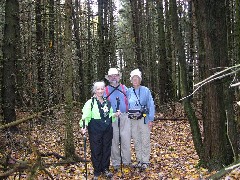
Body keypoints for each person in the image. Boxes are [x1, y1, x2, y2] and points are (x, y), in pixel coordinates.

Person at [79, 81, 121, 180]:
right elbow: (85, 116)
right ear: (95, 90)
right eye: (98, 89)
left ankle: (105, 169)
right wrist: (83, 126)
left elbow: (110, 116)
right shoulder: (90, 103)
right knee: (96, 150)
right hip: (95, 128)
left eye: (102, 89)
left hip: (107, 128)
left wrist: (115, 115)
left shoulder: (107, 102)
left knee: (106, 149)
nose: (100, 91)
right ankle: (97, 171)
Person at [127, 68, 155, 170]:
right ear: (131, 80)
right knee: (136, 139)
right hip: (132, 119)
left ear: (140, 80)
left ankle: (145, 161)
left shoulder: (146, 90)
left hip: (144, 118)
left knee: (145, 139)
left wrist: (151, 119)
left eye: (137, 78)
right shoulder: (128, 91)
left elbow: (151, 104)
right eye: (133, 78)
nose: (135, 80)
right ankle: (139, 160)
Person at [104, 68, 131, 171]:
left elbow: (131, 101)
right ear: (108, 78)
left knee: (126, 139)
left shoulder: (125, 89)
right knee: (113, 141)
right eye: (111, 76)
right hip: (112, 118)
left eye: (116, 75)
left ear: (119, 77)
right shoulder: (105, 90)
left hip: (125, 117)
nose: (114, 77)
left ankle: (126, 162)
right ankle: (116, 163)